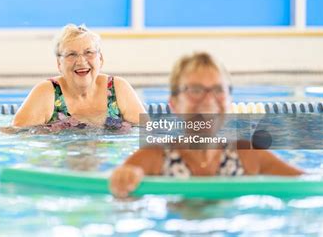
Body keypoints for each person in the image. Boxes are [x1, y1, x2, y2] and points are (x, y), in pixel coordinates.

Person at [109, 52, 303, 198]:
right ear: (174, 104)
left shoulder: (248, 155)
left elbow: (309, 184)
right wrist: (124, 181)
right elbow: (121, 204)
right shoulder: (152, 159)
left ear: (229, 102)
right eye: (195, 90)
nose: (209, 101)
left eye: (218, 90)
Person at [11, 24, 145, 131]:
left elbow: (148, 132)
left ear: (101, 59)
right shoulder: (47, 92)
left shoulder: (118, 88)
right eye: (71, 54)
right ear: (59, 64)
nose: (81, 61)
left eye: (89, 52)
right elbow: (15, 134)